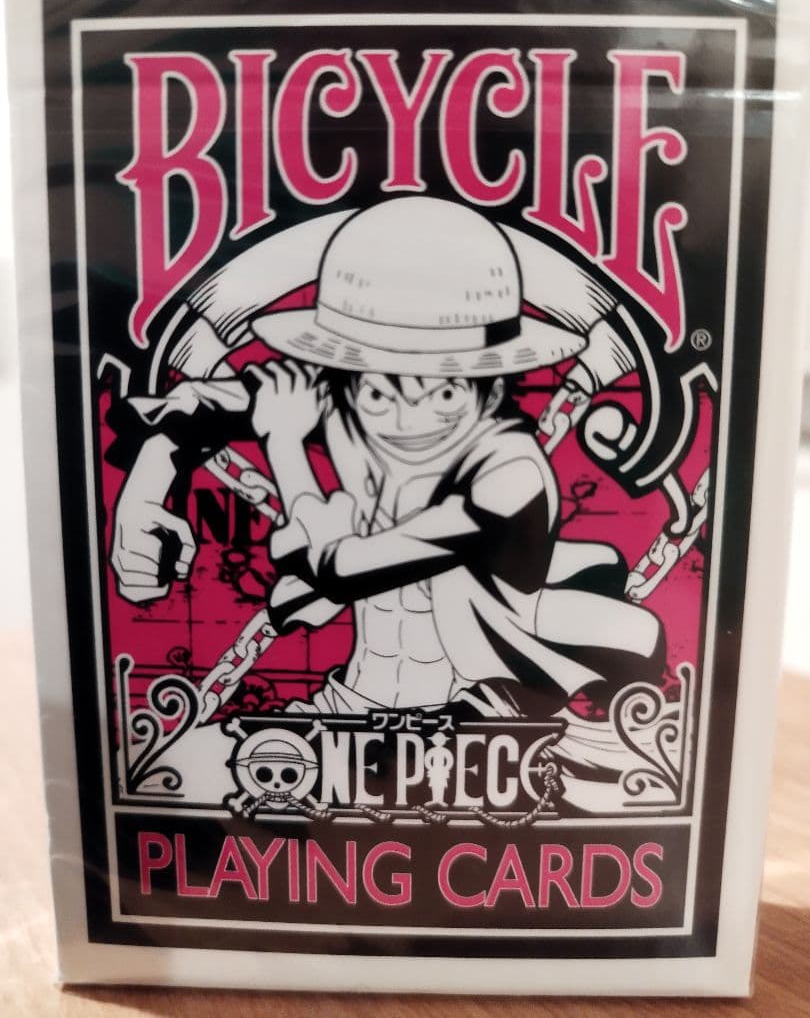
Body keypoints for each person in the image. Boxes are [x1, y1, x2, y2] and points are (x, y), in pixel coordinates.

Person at [110, 197, 664, 717]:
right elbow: (190, 408)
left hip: (487, 719)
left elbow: (341, 569)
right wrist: (143, 496)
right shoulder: (343, 405)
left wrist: (283, 442)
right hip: (348, 704)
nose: (406, 422)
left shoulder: (511, 473)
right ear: (347, 379)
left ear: (492, 386)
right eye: (380, 392)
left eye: (445, 393)